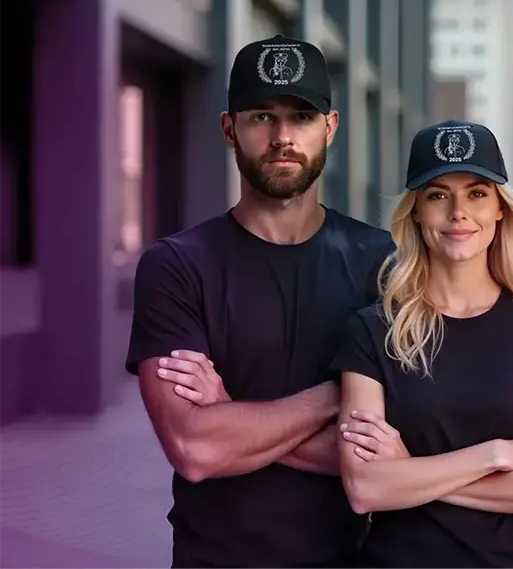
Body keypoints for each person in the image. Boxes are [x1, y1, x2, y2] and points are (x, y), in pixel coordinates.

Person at [125, 34, 394, 569]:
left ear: (331, 128)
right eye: (261, 117)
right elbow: (197, 450)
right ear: (230, 129)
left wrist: (230, 414)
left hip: (353, 557)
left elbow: (394, 449)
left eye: (302, 116)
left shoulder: (380, 262)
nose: (283, 136)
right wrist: (340, 393)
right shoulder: (177, 265)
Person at [330, 120, 513, 569]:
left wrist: (411, 471)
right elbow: (366, 489)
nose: (458, 211)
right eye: (438, 194)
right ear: (417, 212)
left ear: (501, 210)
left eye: (478, 193)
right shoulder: (371, 331)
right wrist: (494, 455)